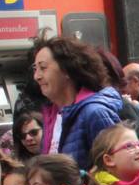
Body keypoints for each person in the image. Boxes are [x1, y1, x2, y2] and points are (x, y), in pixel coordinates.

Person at [31, 36, 122, 171]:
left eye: (43, 68)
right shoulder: (52, 116)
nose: (36, 76)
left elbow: (116, 168)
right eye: (35, 69)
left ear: (67, 70)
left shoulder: (95, 113)